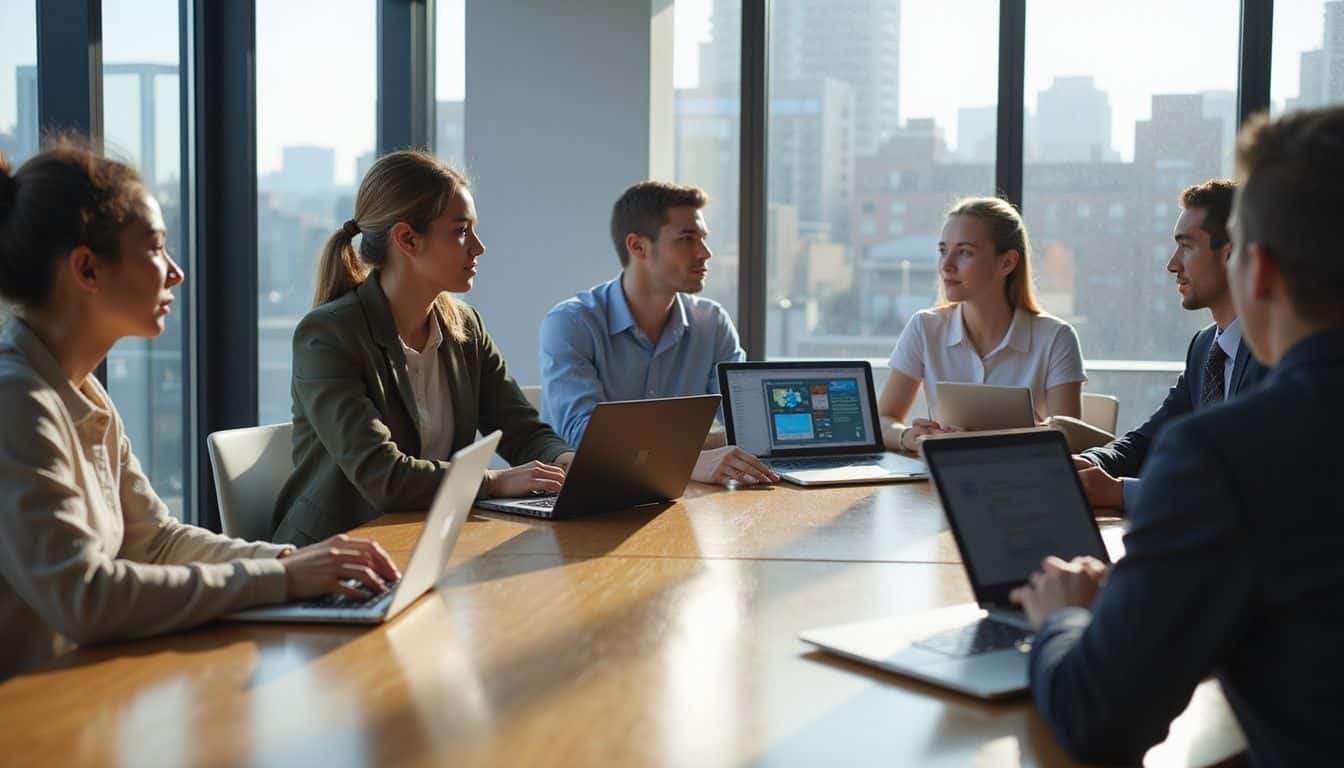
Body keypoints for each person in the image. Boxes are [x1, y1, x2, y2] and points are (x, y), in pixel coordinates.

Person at [1009, 106, 1344, 765]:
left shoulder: (1232, 454)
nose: (1172, 264)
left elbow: (1098, 718)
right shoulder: (1214, 387)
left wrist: (1063, 619)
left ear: (1258, 270)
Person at [0, 142, 399, 681]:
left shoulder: (83, 393)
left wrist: (289, 562)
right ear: (87, 269)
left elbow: (157, 542)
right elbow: (85, 596)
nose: (176, 273)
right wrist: (284, 580)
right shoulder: (17, 402)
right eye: (157, 248)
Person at [272, 151, 573, 545]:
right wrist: (493, 482)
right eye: (461, 231)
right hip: (338, 553)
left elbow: (523, 430)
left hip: (430, 542)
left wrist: (566, 463)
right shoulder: (327, 335)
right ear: (407, 239)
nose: (479, 247)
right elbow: (383, 476)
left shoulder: (464, 326)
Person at [539, 181, 777, 486]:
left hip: (683, 501)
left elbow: (750, 425)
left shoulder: (712, 322)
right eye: (687, 239)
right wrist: (690, 457)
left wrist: (670, 455)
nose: (705, 253)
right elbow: (584, 435)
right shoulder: (571, 323)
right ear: (638, 246)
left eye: (703, 239)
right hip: (594, 498)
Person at [1072, 180, 1267, 510]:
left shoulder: (1272, 353)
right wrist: (1089, 463)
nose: (1173, 264)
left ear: (1229, 253)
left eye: (1187, 246)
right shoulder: (1206, 347)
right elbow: (1150, 440)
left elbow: (1244, 483)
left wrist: (1122, 492)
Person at [878, 197, 1086, 452]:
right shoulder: (924, 327)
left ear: (1007, 262)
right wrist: (909, 437)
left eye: (965, 252)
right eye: (943, 250)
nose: (946, 265)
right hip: (943, 478)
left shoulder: (1056, 338)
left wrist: (981, 439)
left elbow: (1069, 441)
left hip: (1025, 481)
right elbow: (882, 420)